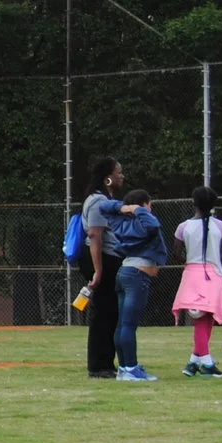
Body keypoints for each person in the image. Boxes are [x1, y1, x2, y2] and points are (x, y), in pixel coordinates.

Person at [169, 187, 222, 378]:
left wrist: (188, 261)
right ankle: (206, 363)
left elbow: (176, 253)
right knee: (206, 319)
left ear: (194, 203)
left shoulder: (184, 227)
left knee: (200, 318)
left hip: (192, 274)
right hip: (214, 274)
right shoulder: (221, 227)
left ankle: (194, 361)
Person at [107, 191, 168, 381]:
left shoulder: (124, 222)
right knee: (128, 325)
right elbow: (152, 225)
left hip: (126, 272)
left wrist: (126, 208)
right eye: (149, 204)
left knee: (122, 324)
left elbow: (105, 208)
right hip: (136, 275)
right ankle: (130, 368)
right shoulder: (142, 221)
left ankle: (124, 367)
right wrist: (138, 209)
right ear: (144, 204)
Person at [78, 157, 126, 379]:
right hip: (102, 259)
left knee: (111, 312)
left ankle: (106, 362)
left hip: (108, 258)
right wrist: (98, 270)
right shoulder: (98, 201)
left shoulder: (107, 199)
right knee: (103, 313)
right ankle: (98, 366)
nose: (122, 176)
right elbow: (95, 235)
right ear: (107, 177)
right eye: (118, 172)